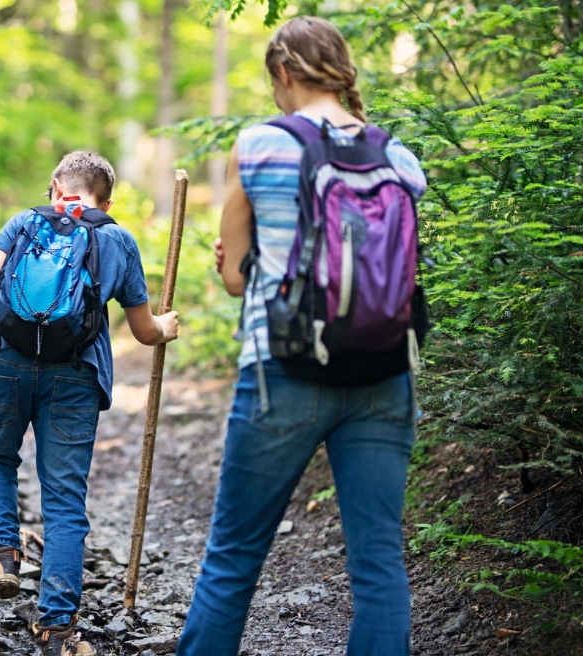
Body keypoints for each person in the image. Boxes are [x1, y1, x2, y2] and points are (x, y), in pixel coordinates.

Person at [176, 17, 427, 656]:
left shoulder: (259, 144)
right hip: (383, 371)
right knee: (378, 564)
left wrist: (237, 258)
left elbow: (235, 279)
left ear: (284, 73)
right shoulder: (398, 156)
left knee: (232, 560)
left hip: (281, 371)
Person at [0, 152, 180, 656]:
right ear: (107, 199)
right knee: (63, 498)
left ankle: (1, 554)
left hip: (5, 363)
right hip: (76, 375)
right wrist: (166, 327)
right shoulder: (118, 239)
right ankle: (57, 630)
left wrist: (0, 342)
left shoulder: (23, 222)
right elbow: (144, 331)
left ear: (56, 185)